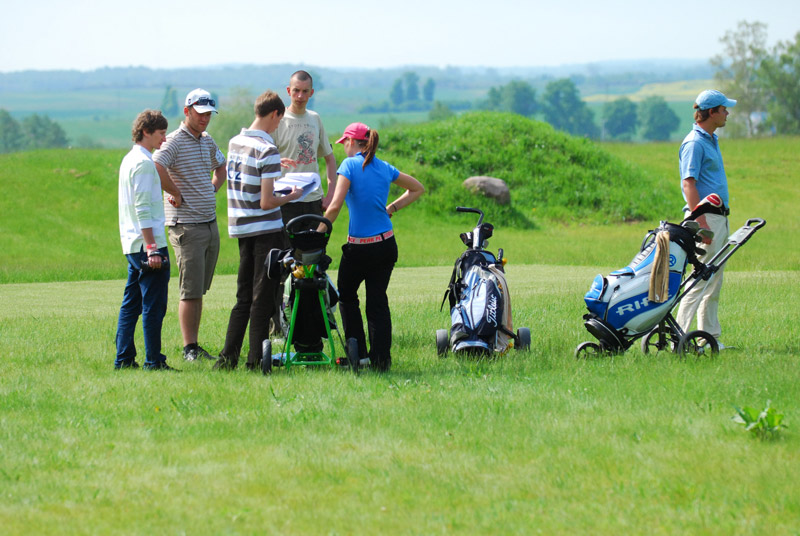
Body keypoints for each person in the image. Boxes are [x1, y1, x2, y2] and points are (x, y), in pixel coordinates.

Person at [322, 122, 424, 372]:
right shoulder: (384, 166)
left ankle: (358, 355)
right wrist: (391, 209)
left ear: (351, 142)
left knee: (346, 296)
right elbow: (417, 188)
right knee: (377, 301)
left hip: (359, 248)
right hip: (385, 245)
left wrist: (319, 232)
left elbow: (334, 206)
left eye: (344, 142)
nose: (343, 148)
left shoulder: (349, 165)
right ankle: (381, 361)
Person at [214, 91, 302, 371]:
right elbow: (267, 201)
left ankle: (227, 359)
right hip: (266, 231)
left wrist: (276, 171)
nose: (278, 126)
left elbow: (249, 180)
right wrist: (292, 194)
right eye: (279, 120)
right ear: (275, 114)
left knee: (243, 296)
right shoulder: (268, 150)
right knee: (262, 299)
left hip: (242, 227)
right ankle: (255, 361)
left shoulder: (235, 142)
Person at [154, 88, 227, 362]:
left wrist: (211, 189)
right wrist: (174, 192)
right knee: (189, 289)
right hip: (186, 226)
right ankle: (189, 349)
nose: (205, 119)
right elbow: (157, 165)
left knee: (199, 288)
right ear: (187, 112)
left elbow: (222, 167)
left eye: (209, 114)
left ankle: (194, 345)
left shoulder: (206, 141)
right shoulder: (173, 141)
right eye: (200, 113)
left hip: (208, 223)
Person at [269, 70, 338, 336]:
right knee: (285, 264)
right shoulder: (278, 120)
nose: (299, 96)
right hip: (285, 202)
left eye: (305, 91)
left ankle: (310, 323)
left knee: (311, 264)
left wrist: (330, 193)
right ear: (288, 91)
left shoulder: (315, 119)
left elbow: (329, 158)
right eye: (295, 91)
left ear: (311, 93)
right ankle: (280, 325)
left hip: (312, 201)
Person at [115, 109, 179, 371]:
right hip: (147, 246)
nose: (164, 138)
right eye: (161, 133)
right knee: (154, 305)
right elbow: (142, 208)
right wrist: (152, 248)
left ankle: (124, 359)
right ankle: (153, 361)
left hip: (133, 244)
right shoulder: (143, 164)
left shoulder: (130, 159)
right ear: (146, 132)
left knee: (132, 304)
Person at [675, 89, 737, 349]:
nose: (727, 113)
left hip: (717, 217)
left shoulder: (711, 139)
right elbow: (689, 184)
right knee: (700, 277)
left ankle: (708, 338)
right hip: (706, 219)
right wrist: (699, 222)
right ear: (711, 112)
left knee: (713, 278)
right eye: (723, 109)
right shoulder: (694, 143)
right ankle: (678, 337)